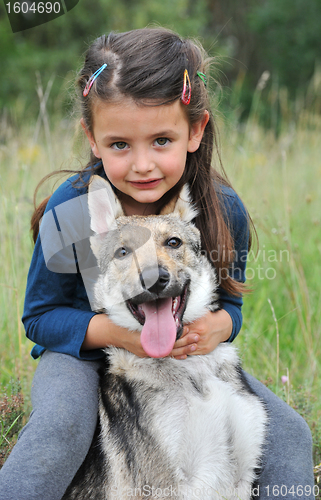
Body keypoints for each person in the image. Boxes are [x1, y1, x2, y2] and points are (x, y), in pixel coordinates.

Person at [0, 28, 315, 500]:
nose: (142, 164)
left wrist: (220, 327)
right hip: (83, 355)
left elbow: (230, 302)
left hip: (183, 351)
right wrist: (120, 336)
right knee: (61, 426)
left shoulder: (219, 207)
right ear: (93, 138)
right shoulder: (72, 209)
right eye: (120, 145)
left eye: (161, 140)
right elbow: (40, 318)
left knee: (290, 434)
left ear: (195, 130)